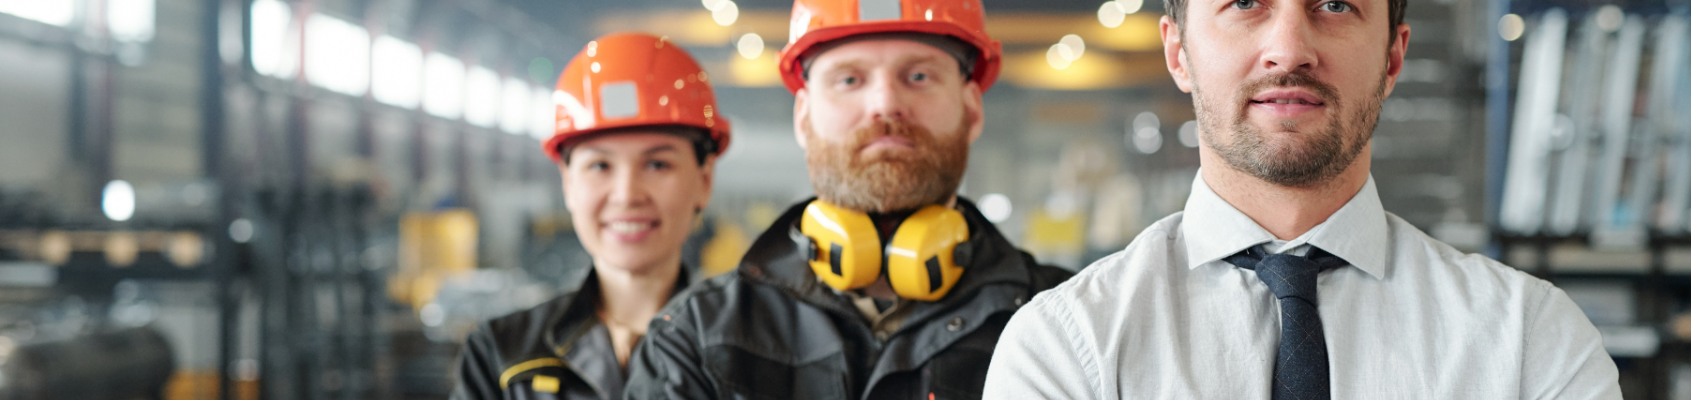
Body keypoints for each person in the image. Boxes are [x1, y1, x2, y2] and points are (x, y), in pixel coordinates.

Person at [983, 0, 1622, 398]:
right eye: (1246, 2)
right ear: (1179, 51)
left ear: (1393, 58)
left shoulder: (1531, 343)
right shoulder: (1068, 348)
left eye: (1336, 5)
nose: (1290, 50)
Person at [623, 0, 1072, 398]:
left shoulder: (1066, 323)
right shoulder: (694, 339)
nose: (885, 102)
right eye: (849, 79)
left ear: (972, 109)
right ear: (804, 118)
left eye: (918, 75)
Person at [451, 32, 731, 399]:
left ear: (704, 180)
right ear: (568, 184)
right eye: (600, 165)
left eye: (657, 164)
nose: (627, 194)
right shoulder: (500, 357)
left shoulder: (750, 354)